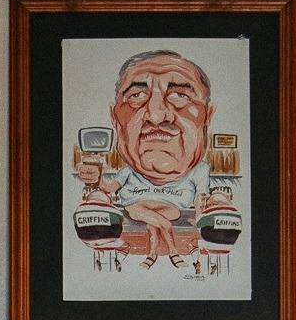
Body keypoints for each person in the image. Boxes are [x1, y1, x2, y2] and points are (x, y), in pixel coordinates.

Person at [71, 49, 242, 269]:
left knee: (159, 218)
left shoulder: (200, 171)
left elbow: (201, 200)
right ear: (116, 119)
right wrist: (95, 186)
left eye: (181, 95)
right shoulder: (127, 173)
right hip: (139, 209)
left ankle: (152, 255)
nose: (157, 114)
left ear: (207, 117)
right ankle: (171, 254)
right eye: (136, 96)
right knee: (153, 218)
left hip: (165, 211)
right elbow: (109, 188)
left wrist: (213, 205)